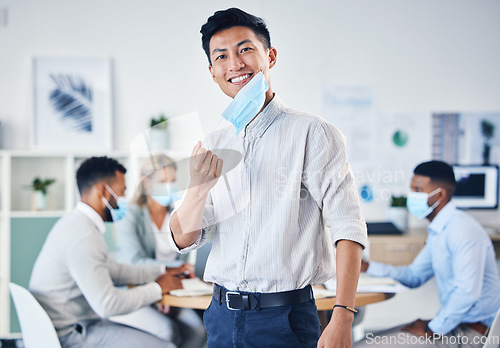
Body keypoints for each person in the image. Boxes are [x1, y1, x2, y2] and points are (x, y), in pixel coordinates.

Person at [167, 8, 368, 348]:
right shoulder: (215, 141)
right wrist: (198, 189)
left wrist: (343, 316)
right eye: (222, 56)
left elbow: (348, 228)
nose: (235, 63)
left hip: (285, 318)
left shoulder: (313, 133)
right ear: (213, 71)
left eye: (245, 49)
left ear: (270, 56)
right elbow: (183, 238)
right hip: (220, 315)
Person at [29, 156, 190, 348]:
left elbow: (114, 271)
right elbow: (108, 305)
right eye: (121, 192)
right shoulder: (83, 236)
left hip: (74, 323)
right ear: (104, 192)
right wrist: (157, 288)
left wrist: (162, 271)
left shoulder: (77, 224)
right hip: (71, 333)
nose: (123, 200)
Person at [355, 160, 500, 347]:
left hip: (473, 333)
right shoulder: (440, 230)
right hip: (453, 326)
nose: (411, 196)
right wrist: (368, 267)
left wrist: (432, 329)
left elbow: (467, 293)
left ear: (440, 195)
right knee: (363, 341)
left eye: (417, 190)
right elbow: (414, 276)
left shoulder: (462, 229)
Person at [114, 154, 206, 348]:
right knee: (168, 331)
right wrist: (178, 268)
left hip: (174, 289)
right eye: (162, 181)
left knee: (198, 330)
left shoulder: (178, 213)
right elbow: (132, 262)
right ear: (146, 183)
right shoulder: (129, 214)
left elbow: (194, 251)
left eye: (172, 180)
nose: (169, 186)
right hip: (136, 290)